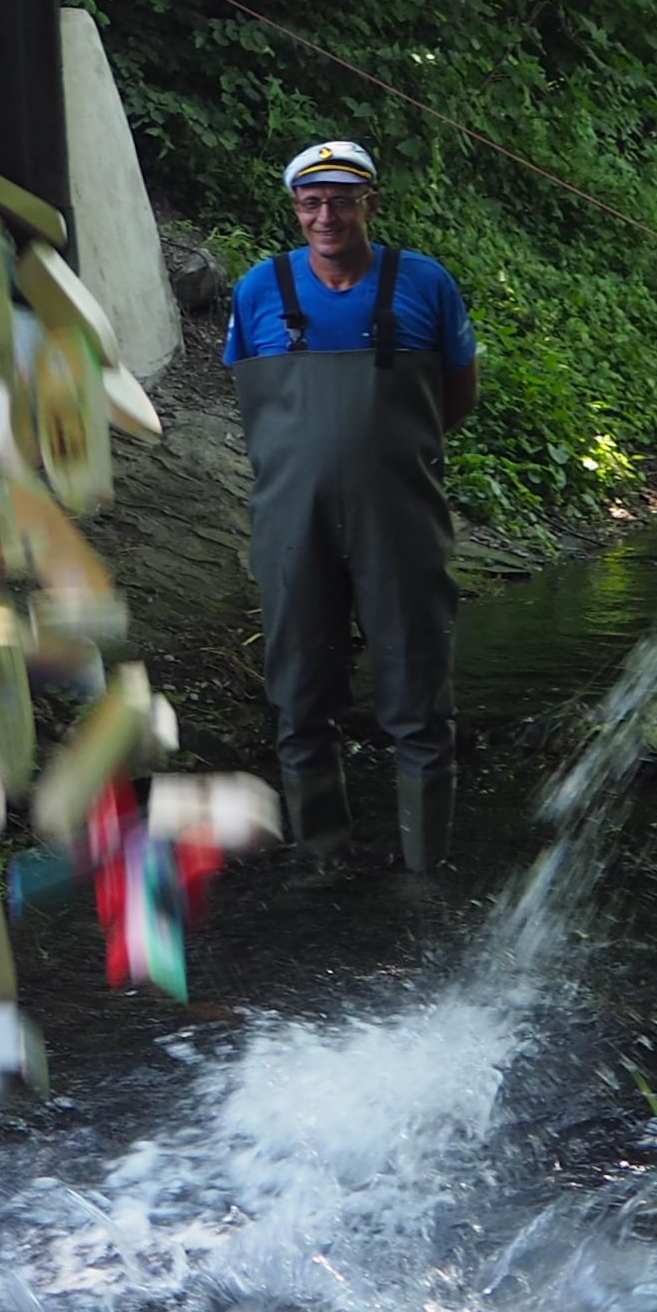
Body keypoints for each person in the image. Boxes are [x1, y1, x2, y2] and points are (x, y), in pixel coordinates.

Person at [222, 140, 480, 877]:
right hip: (290, 524)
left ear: (371, 205)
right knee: (300, 694)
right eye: (311, 203)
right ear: (295, 209)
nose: (326, 217)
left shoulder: (424, 284)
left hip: (400, 521)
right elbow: (254, 402)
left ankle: (425, 872)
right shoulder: (260, 289)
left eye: (342, 201)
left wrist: (384, 452)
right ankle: (324, 862)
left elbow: (457, 398)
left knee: (419, 698)